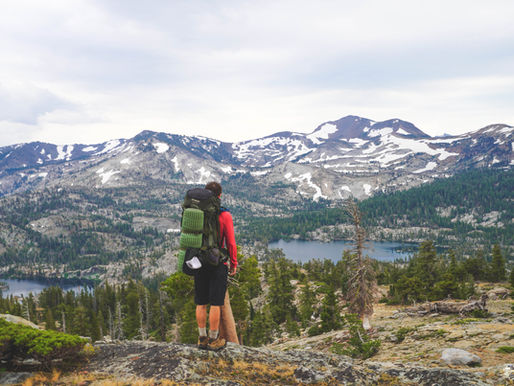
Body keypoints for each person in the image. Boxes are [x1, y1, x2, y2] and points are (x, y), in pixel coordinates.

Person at [195, 181, 237, 351]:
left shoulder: (197, 212)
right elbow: (231, 243)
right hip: (217, 262)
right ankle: (213, 340)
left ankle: (201, 338)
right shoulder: (224, 215)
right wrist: (233, 263)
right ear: (220, 195)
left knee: (201, 302)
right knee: (215, 303)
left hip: (198, 261)